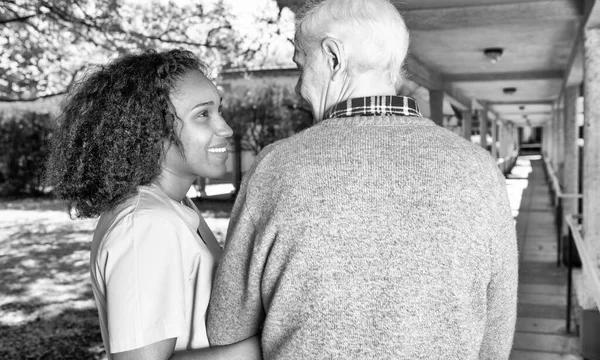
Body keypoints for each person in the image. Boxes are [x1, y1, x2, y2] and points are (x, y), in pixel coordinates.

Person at [206, 0, 518, 359]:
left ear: (333, 57)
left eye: (300, 65)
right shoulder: (480, 170)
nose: (297, 89)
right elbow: (495, 338)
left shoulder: (275, 169)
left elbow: (226, 328)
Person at [46, 49, 261, 360]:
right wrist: (268, 343)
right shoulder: (146, 224)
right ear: (152, 131)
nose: (225, 128)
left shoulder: (171, 207)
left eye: (219, 110)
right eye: (203, 114)